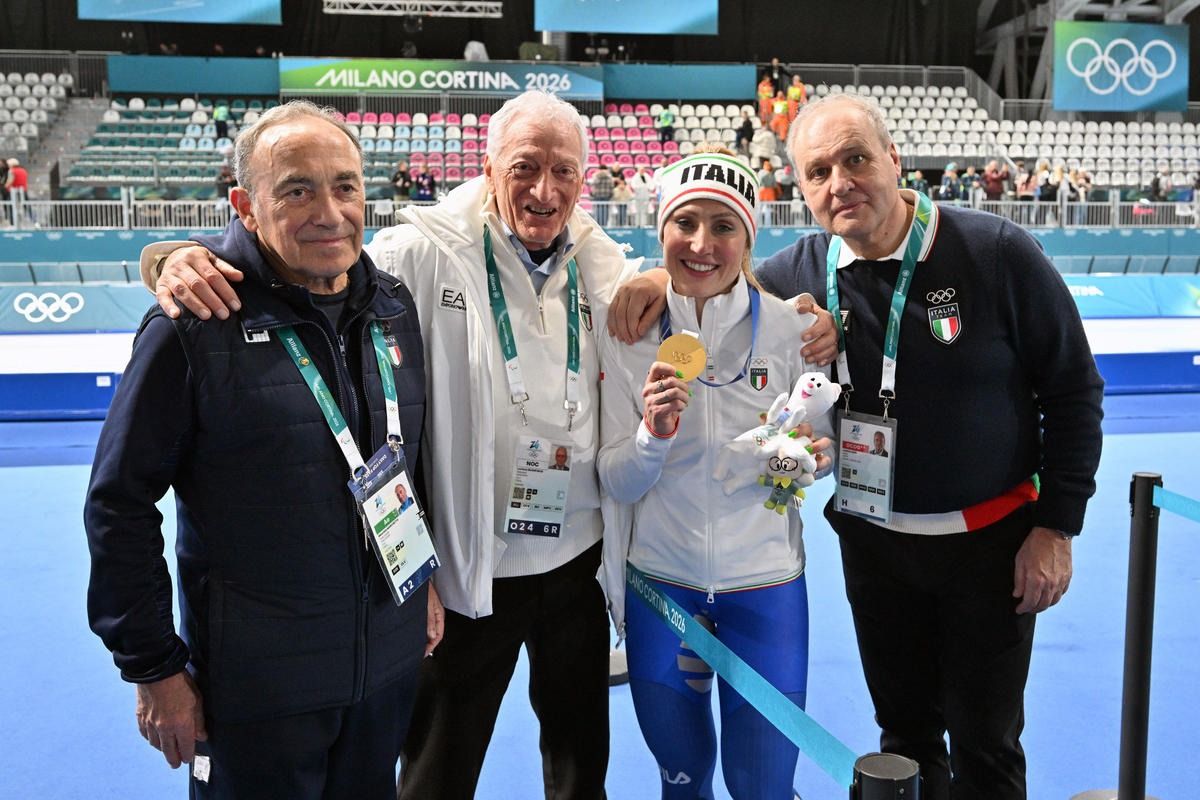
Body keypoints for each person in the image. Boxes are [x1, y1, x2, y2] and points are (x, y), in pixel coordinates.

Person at [139, 89, 718, 800]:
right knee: (437, 772)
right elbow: (311, 262)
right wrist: (173, 258)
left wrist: (661, 275)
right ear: (488, 167)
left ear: (584, 178)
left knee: (579, 768)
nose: (545, 191)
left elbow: (712, 287)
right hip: (465, 568)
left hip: (578, 563)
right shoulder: (422, 250)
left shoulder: (599, 262)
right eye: (525, 168)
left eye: (564, 171)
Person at [86, 101, 442, 799]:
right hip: (258, 692)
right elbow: (118, 506)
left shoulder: (394, 306)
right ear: (246, 207)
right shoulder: (193, 323)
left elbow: (406, 462)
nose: (329, 213)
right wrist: (155, 668)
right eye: (297, 190)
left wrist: (420, 581)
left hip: (386, 668)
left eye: (344, 186)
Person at [753, 92, 1104, 799]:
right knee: (903, 743)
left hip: (990, 552)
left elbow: (1073, 390)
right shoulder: (800, 272)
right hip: (875, 549)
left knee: (986, 745)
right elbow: (708, 287)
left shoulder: (995, 251)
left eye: (856, 159)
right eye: (818, 172)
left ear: (894, 159)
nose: (839, 183)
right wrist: (651, 279)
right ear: (802, 189)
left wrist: (1057, 527)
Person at [597, 146, 834, 800]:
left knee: (763, 786)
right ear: (662, 231)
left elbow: (827, 446)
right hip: (660, 588)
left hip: (766, 588)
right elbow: (616, 480)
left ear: (748, 239)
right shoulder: (627, 329)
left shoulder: (795, 330)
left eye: (724, 226)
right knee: (682, 781)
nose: (702, 244)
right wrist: (653, 437)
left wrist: (816, 457)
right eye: (685, 223)